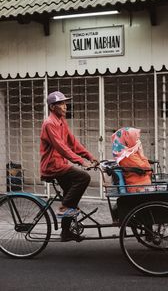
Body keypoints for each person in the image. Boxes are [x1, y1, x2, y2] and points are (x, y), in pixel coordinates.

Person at [40, 91, 98, 241]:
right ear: (52, 107)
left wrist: (89, 156)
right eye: (61, 103)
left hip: (61, 165)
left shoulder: (61, 121)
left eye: (65, 103)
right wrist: (80, 161)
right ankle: (64, 208)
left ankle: (65, 231)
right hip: (53, 166)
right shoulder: (49, 123)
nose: (65, 106)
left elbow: (72, 143)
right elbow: (61, 147)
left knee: (71, 195)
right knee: (83, 178)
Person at [111, 127, 152, 192]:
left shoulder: (128, 153)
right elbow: (147, 169)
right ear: (128, 140)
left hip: (141, 185)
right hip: (138, 187)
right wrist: (142, 154)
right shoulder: (127, 156)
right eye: (136, 139)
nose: (139, 141)